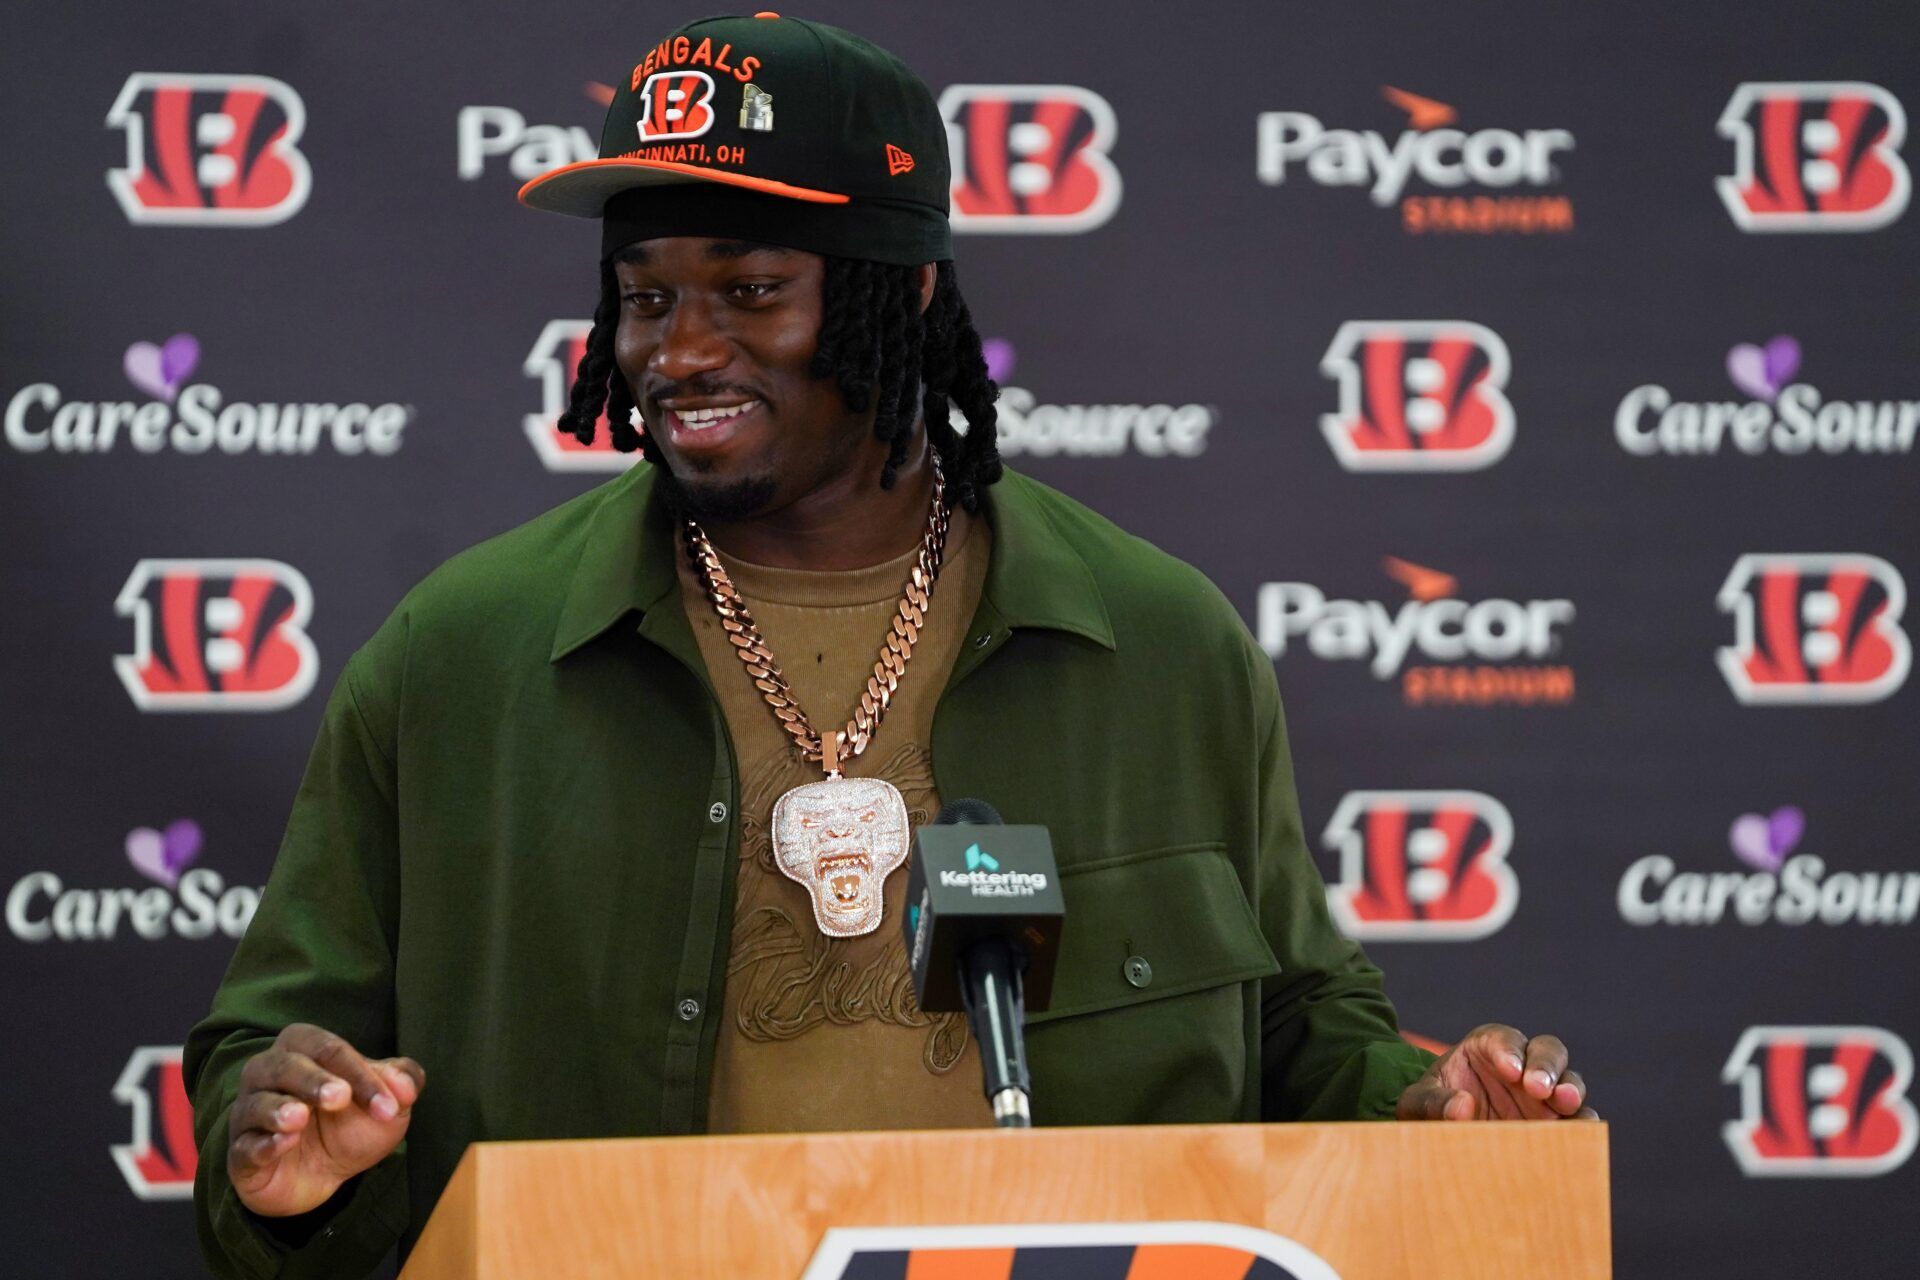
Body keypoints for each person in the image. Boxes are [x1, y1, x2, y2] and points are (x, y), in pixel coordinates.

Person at [186, 13, 1595, 1278]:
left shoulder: (1158, 645)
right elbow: (269, 1057)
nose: (680, 350)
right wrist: (292, 1162)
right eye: (647, 295)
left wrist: (1424, 1110)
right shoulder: (462, 657)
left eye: (750, 290)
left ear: (901, 290)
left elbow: (1295, 1023)